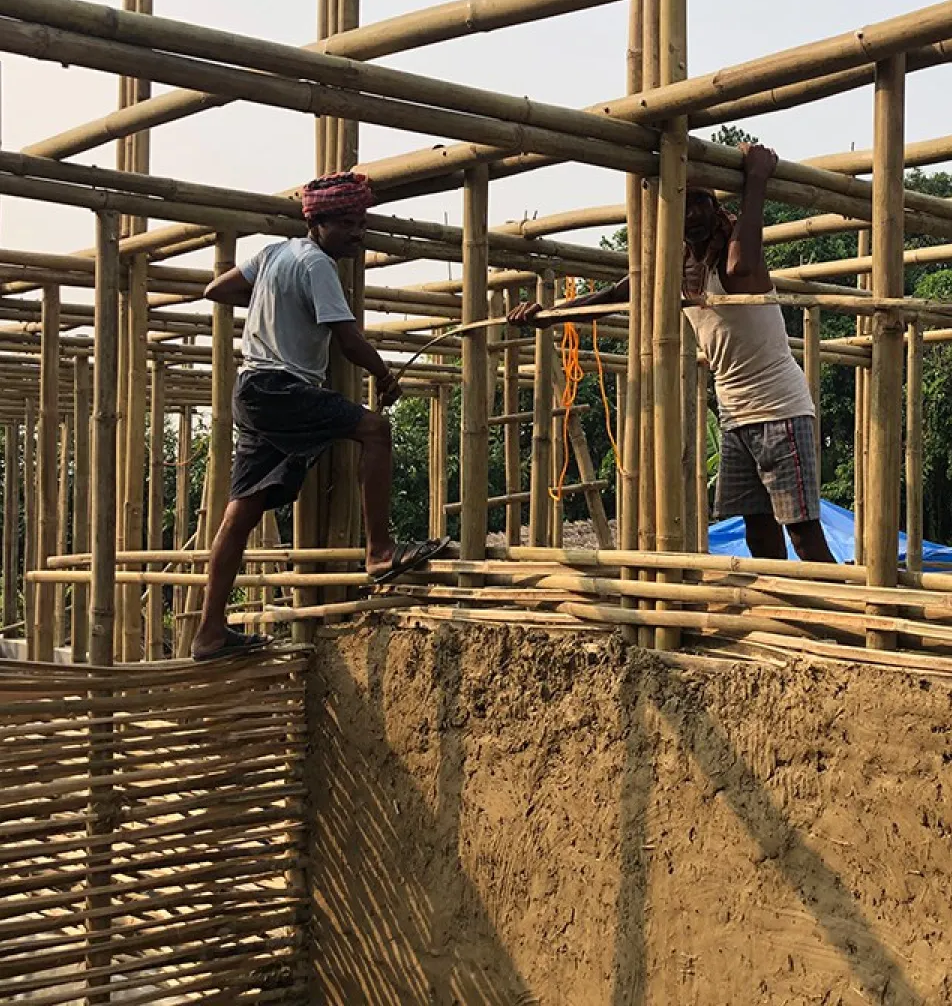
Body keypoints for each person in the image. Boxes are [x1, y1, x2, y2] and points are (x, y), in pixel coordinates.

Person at [511, 144, 834, 563]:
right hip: (735, 415)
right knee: (758, 534)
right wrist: (550, 315)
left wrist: (757, 179)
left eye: (701, 202)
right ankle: (793, 614)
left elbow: (738, 264)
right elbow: (615, 294)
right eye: (682, 204)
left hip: (779, 409)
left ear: (717, 207)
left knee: (804, 534)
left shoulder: (738, 258)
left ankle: (845, 622)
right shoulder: (677, 265)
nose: (692, 215)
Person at [192, 172, 448, 660]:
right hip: (284, 386)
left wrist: (273, 298)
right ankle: (380, 551)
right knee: (376, 430)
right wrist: (385, 376)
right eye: (349, 223)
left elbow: (217, 289)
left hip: (253, 389)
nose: (358, 233)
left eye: (361, 222)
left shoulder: (272, 255)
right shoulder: (317, 265)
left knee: (241, 511)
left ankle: (210, 631)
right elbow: (349, 342)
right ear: (319, 222)